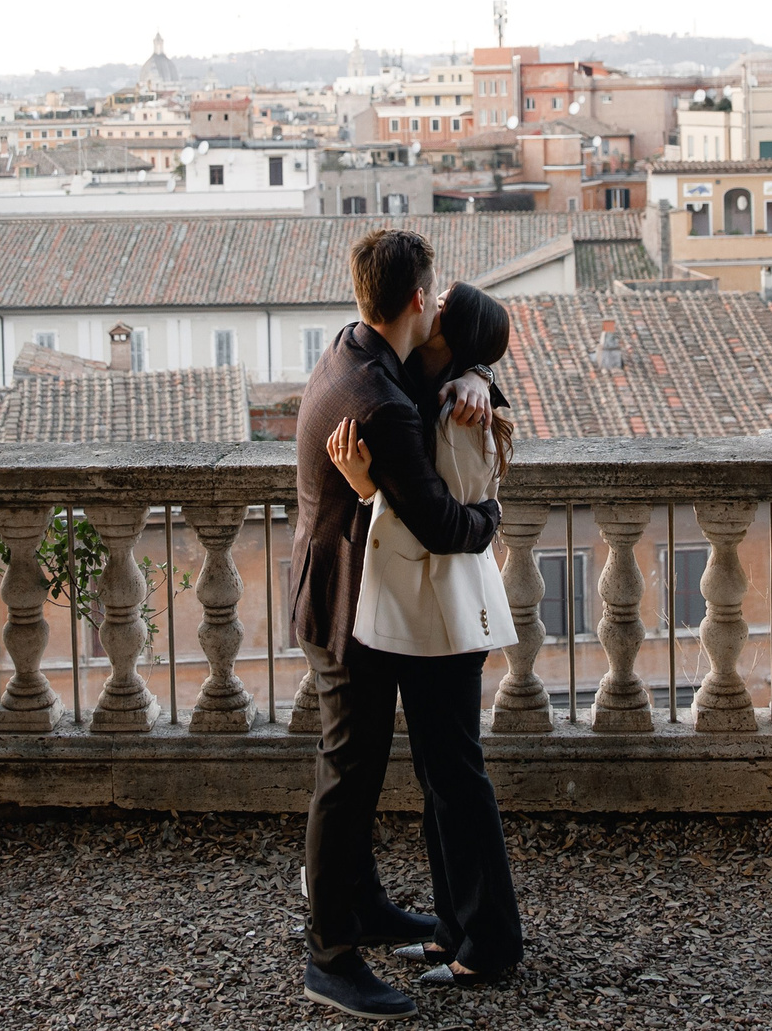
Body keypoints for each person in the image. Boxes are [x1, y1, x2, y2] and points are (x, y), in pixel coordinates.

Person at [290, 229, 501, 1022]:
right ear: (418, 298)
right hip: (349, 609)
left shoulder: (354, 349)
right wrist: (491, 514)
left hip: (335, 589)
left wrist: (477, 371)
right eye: (435, 290)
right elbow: (443, 524)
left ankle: (367, 908)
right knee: (348, 776)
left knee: (359, 770)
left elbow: (448, 362)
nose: (440, 300)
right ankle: (330, 954)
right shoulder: (379, 402)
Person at [336, 281, 525, 992]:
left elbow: (448, 518)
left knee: (459, 779)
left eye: (441, 303)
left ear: (448, 329)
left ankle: (491, 943)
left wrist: (365, 488)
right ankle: (454, 928)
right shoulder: (433, 379)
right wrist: (480, 372)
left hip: (447, 616)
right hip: (426, 618)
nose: (429, 301)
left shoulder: (460, 409)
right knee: (440, 779)